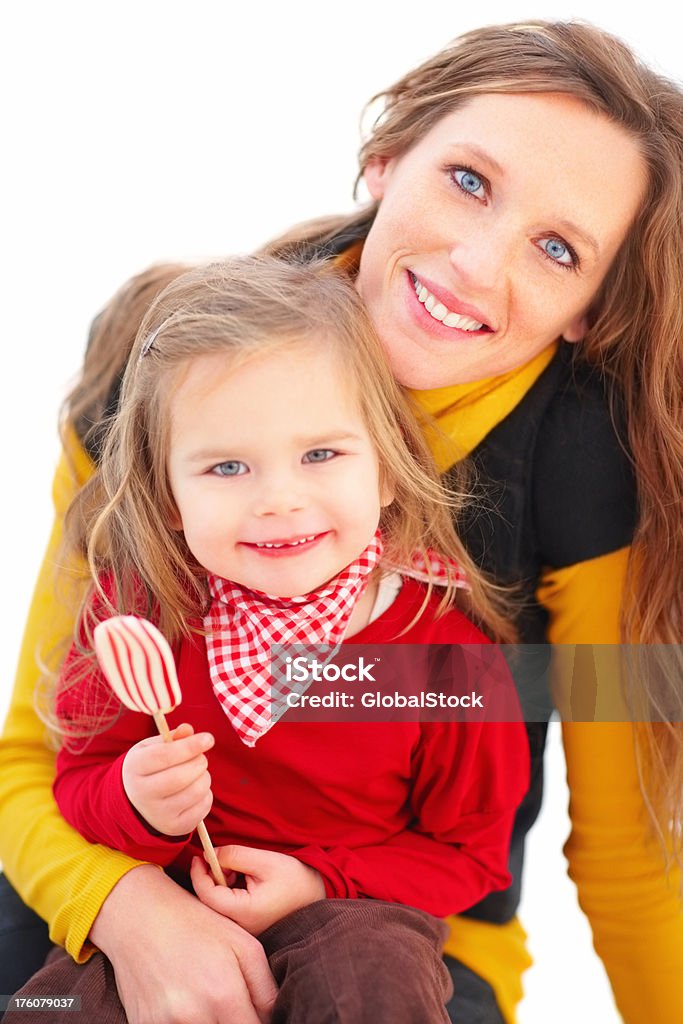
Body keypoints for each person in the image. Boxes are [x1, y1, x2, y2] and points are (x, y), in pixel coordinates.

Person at [1, 17, 682, 1024]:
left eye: (553, 247)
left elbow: (630, 847)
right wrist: (130, 910)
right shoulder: (154, 385)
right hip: (116, 874)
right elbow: (34, 754)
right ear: (385, 159)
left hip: (412, 923)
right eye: (466, 180)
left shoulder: (582, 474)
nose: (471, 262)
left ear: (589, 304)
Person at [9, 256, 528, 1023]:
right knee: (52, 1007)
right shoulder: (140, 614)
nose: (279, 499)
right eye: (226, 466)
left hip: (356, 913)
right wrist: (133, 798)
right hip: (161, 912)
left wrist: (321, 884)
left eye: (320, 454)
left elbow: (469, 857)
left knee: (373, 988)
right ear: (169, 498)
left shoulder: (446, 658)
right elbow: (75, 783)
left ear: (386, 471)